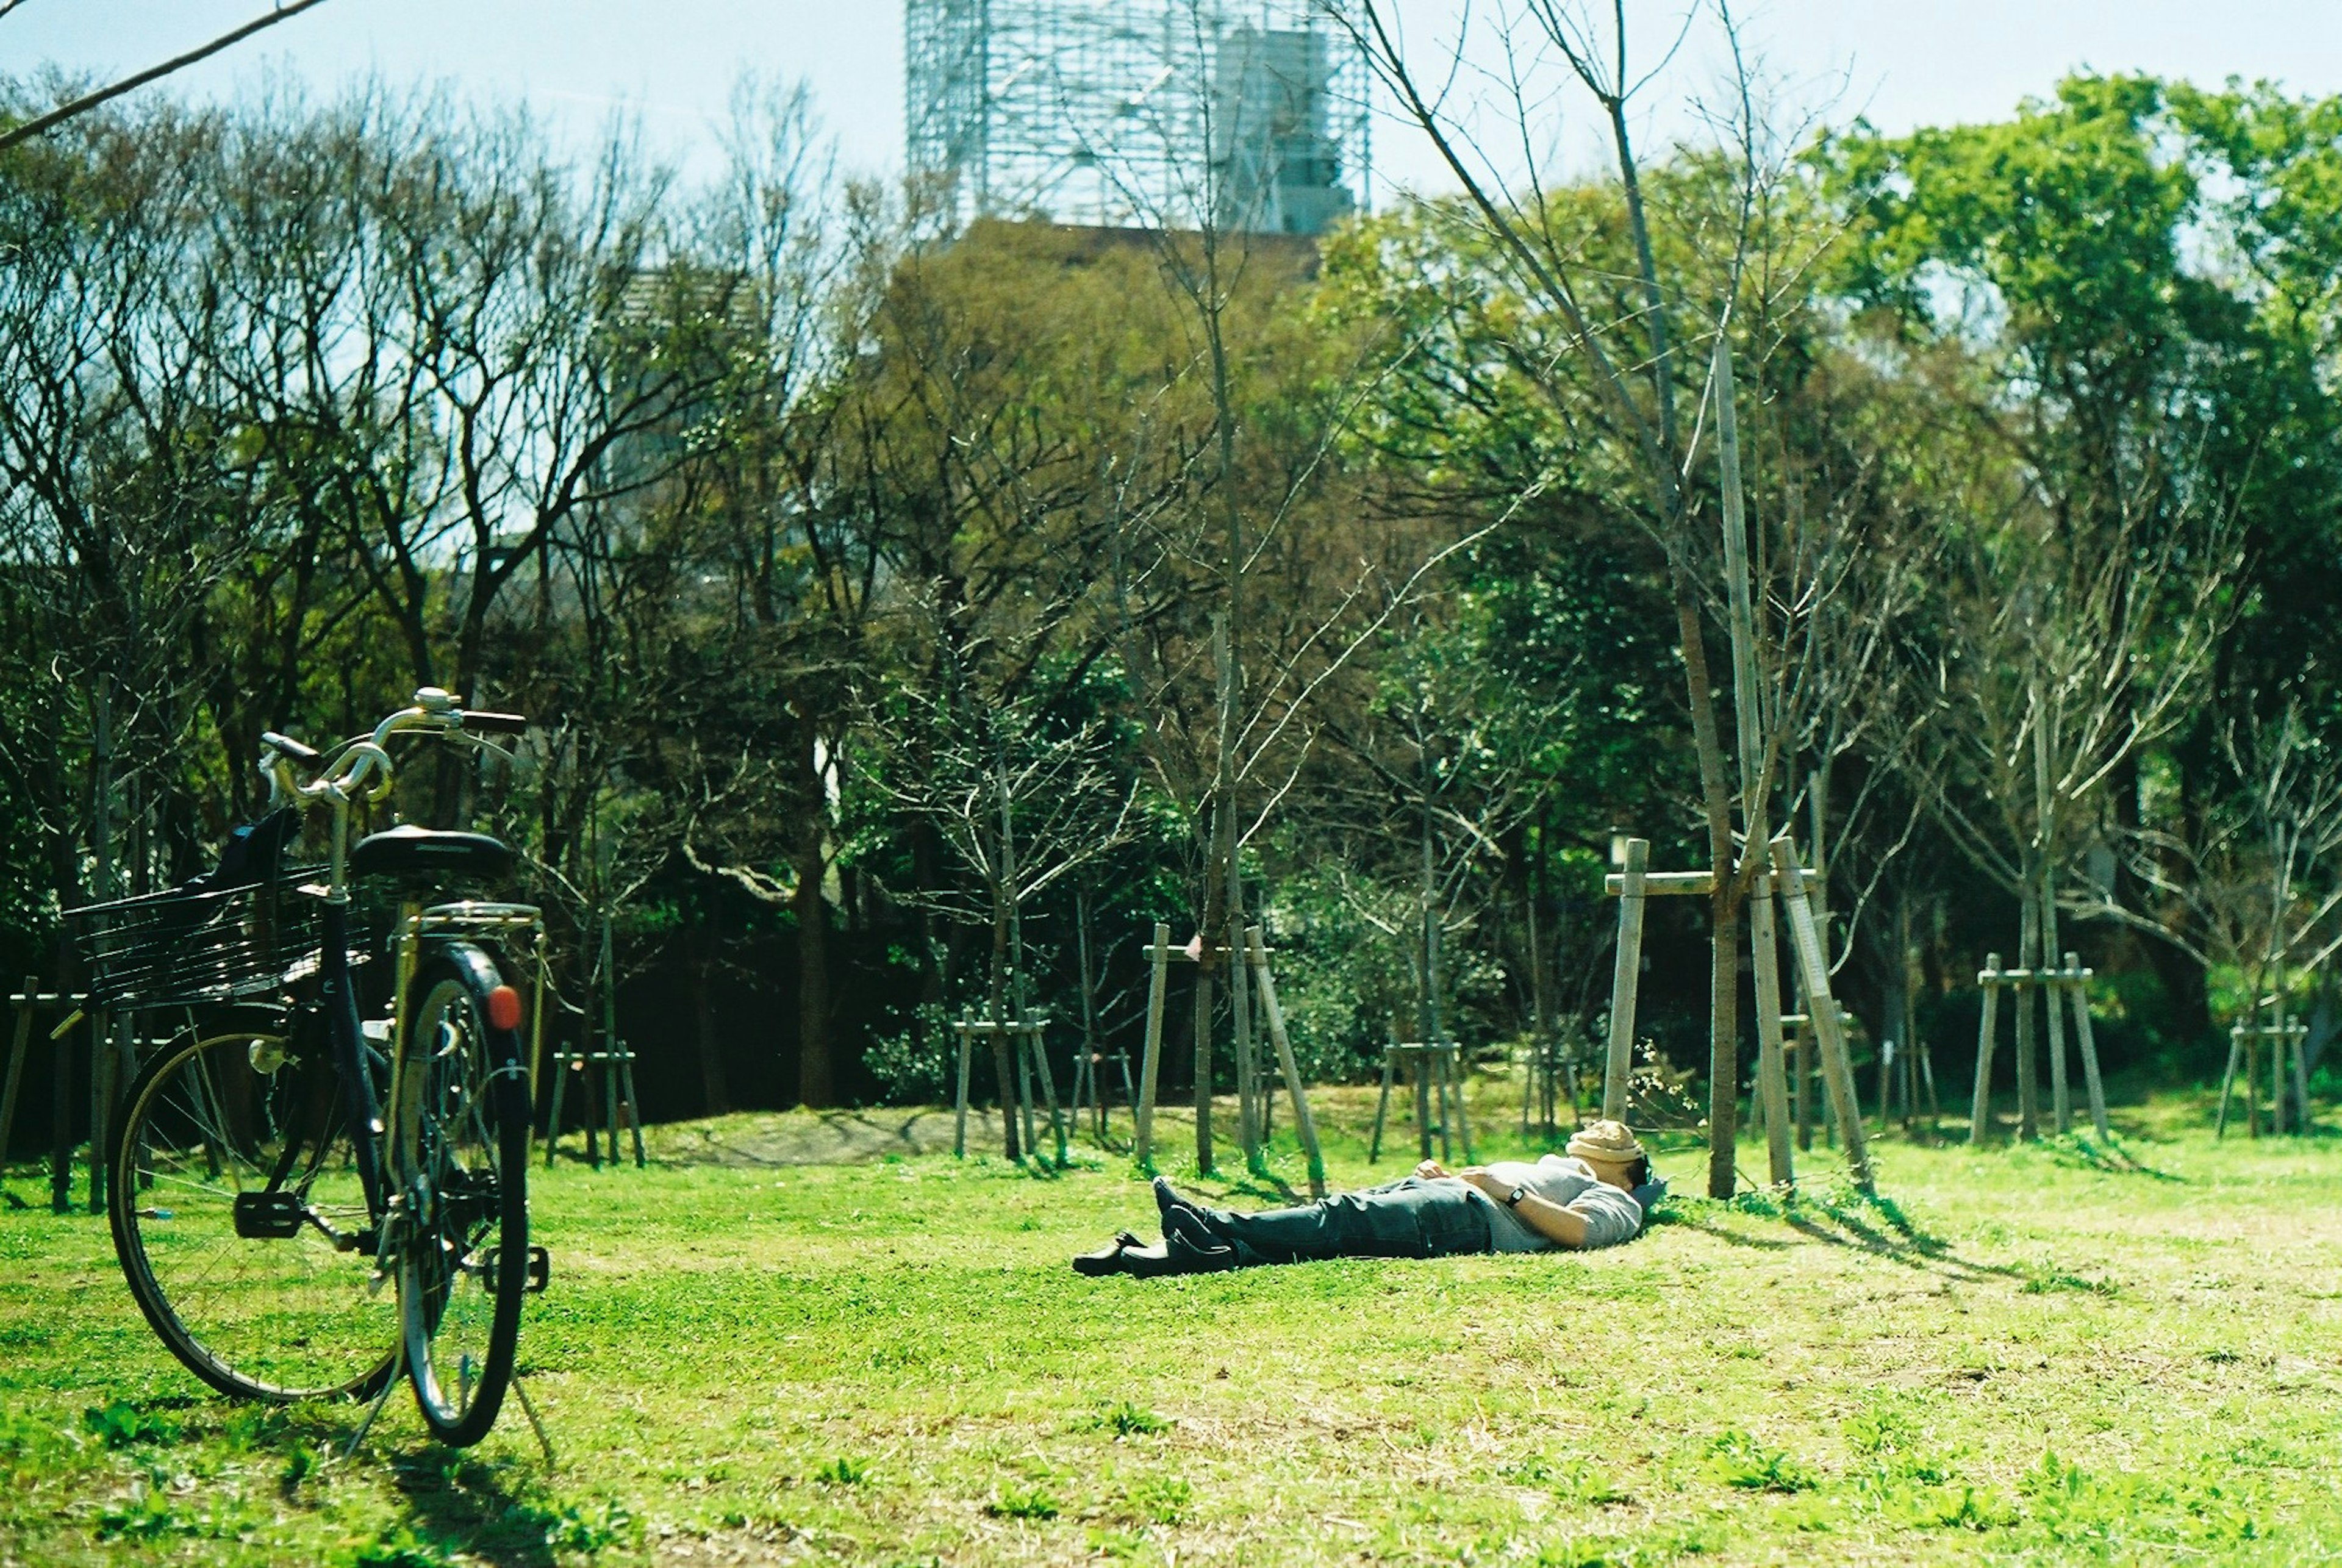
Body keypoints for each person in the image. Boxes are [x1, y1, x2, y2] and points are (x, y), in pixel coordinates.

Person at [1073, 1120, 1660, 1277]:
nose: (1577, 1163)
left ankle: (1207, 1225)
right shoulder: (1576, 1175)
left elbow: (1580, 1234)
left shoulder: (1619, 1200)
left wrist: (1505, 1187)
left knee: (1340, 1220)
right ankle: (1198, 1247)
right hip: (1447, 1198)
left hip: (1464, 1220)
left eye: (1590, 1160)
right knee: (1339, 1219)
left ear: (1622, 1172)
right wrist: (1450, 1174)